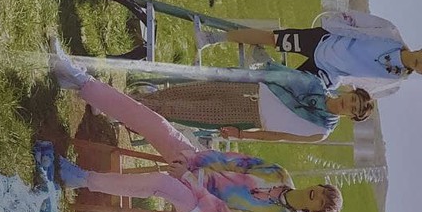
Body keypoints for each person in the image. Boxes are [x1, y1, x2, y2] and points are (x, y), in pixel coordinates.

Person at [47, 40, 342, 212]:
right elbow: (232, 160)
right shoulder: (278, 174)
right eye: (322, 191)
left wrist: (189, 179)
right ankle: (80, 81)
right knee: (158, 125)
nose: (317, 195)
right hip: (198, 166)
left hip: (198, 207)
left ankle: (81, 179)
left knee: (162, 183)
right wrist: (195, 162)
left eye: (320, 203)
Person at [195, 13, 422, 98]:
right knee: (273, 38)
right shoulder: (390, 34)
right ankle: (212, 38)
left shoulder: (394, 80)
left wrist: (342, 86)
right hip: (325, 42)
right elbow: (360, 20)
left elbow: (365, 90)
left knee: (285, 87)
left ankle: (262, 64)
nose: (420, 64)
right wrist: (335, 21)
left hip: (330, 73)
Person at [130, 63, 374, 143]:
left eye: (354, 109)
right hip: (247, 88)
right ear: (348, 92)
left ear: (352, 117)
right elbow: (279, 76)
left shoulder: (320, 131)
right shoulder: (315, 84)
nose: (348, 105)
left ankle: (126, 110)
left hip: (246, 116)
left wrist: (241, 134)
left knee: (179, 110)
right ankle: (132, 101)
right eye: (353, 99)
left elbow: (278, 136)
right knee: (181, 92)